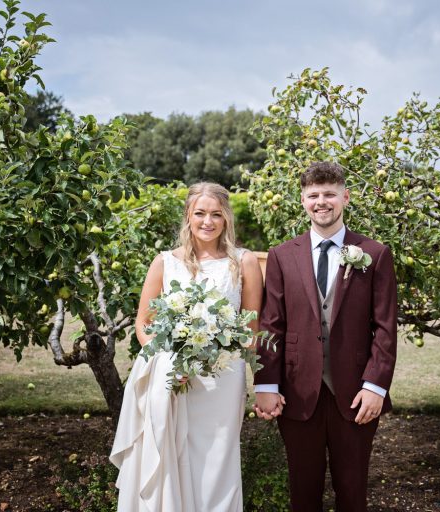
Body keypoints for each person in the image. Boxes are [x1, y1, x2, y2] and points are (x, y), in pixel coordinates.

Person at [109, 182, 263, 512]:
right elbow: (144, 323)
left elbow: (252, 328)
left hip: (223, 378)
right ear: (188, 216)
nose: (207, 222)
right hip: (175, 378)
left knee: (218, 461)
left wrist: (240, 363)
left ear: (226, 218)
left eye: (216, 215)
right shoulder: (165, 262)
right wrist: (168, 360)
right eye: (200, 213)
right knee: (175, 457)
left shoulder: (244, 262)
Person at [253, 161, 398, 511]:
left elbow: (385, 327)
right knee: (303, 493)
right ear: (303, 201)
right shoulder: (281, 256)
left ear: (345, 197)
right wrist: (267, 387)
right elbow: (271, 325)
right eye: (313, 195)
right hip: (297, 394)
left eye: (330, 194)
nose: (322, 201)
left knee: (352, 493)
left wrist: (375, 387)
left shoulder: (375, 254)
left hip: (357, 396)